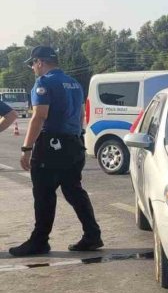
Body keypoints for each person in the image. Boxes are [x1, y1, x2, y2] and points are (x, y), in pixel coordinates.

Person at [9, 46, 103, 256]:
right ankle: (92, 234)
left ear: (39, 62)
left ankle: (39, 241)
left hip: (51, 146)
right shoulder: (74, 83)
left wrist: (26, 148)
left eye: (33, 64)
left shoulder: (43, 83)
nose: (33, 68)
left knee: (43, 193)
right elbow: (80, 115)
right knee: (73, 190)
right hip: (74, 143)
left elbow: (39, 116)